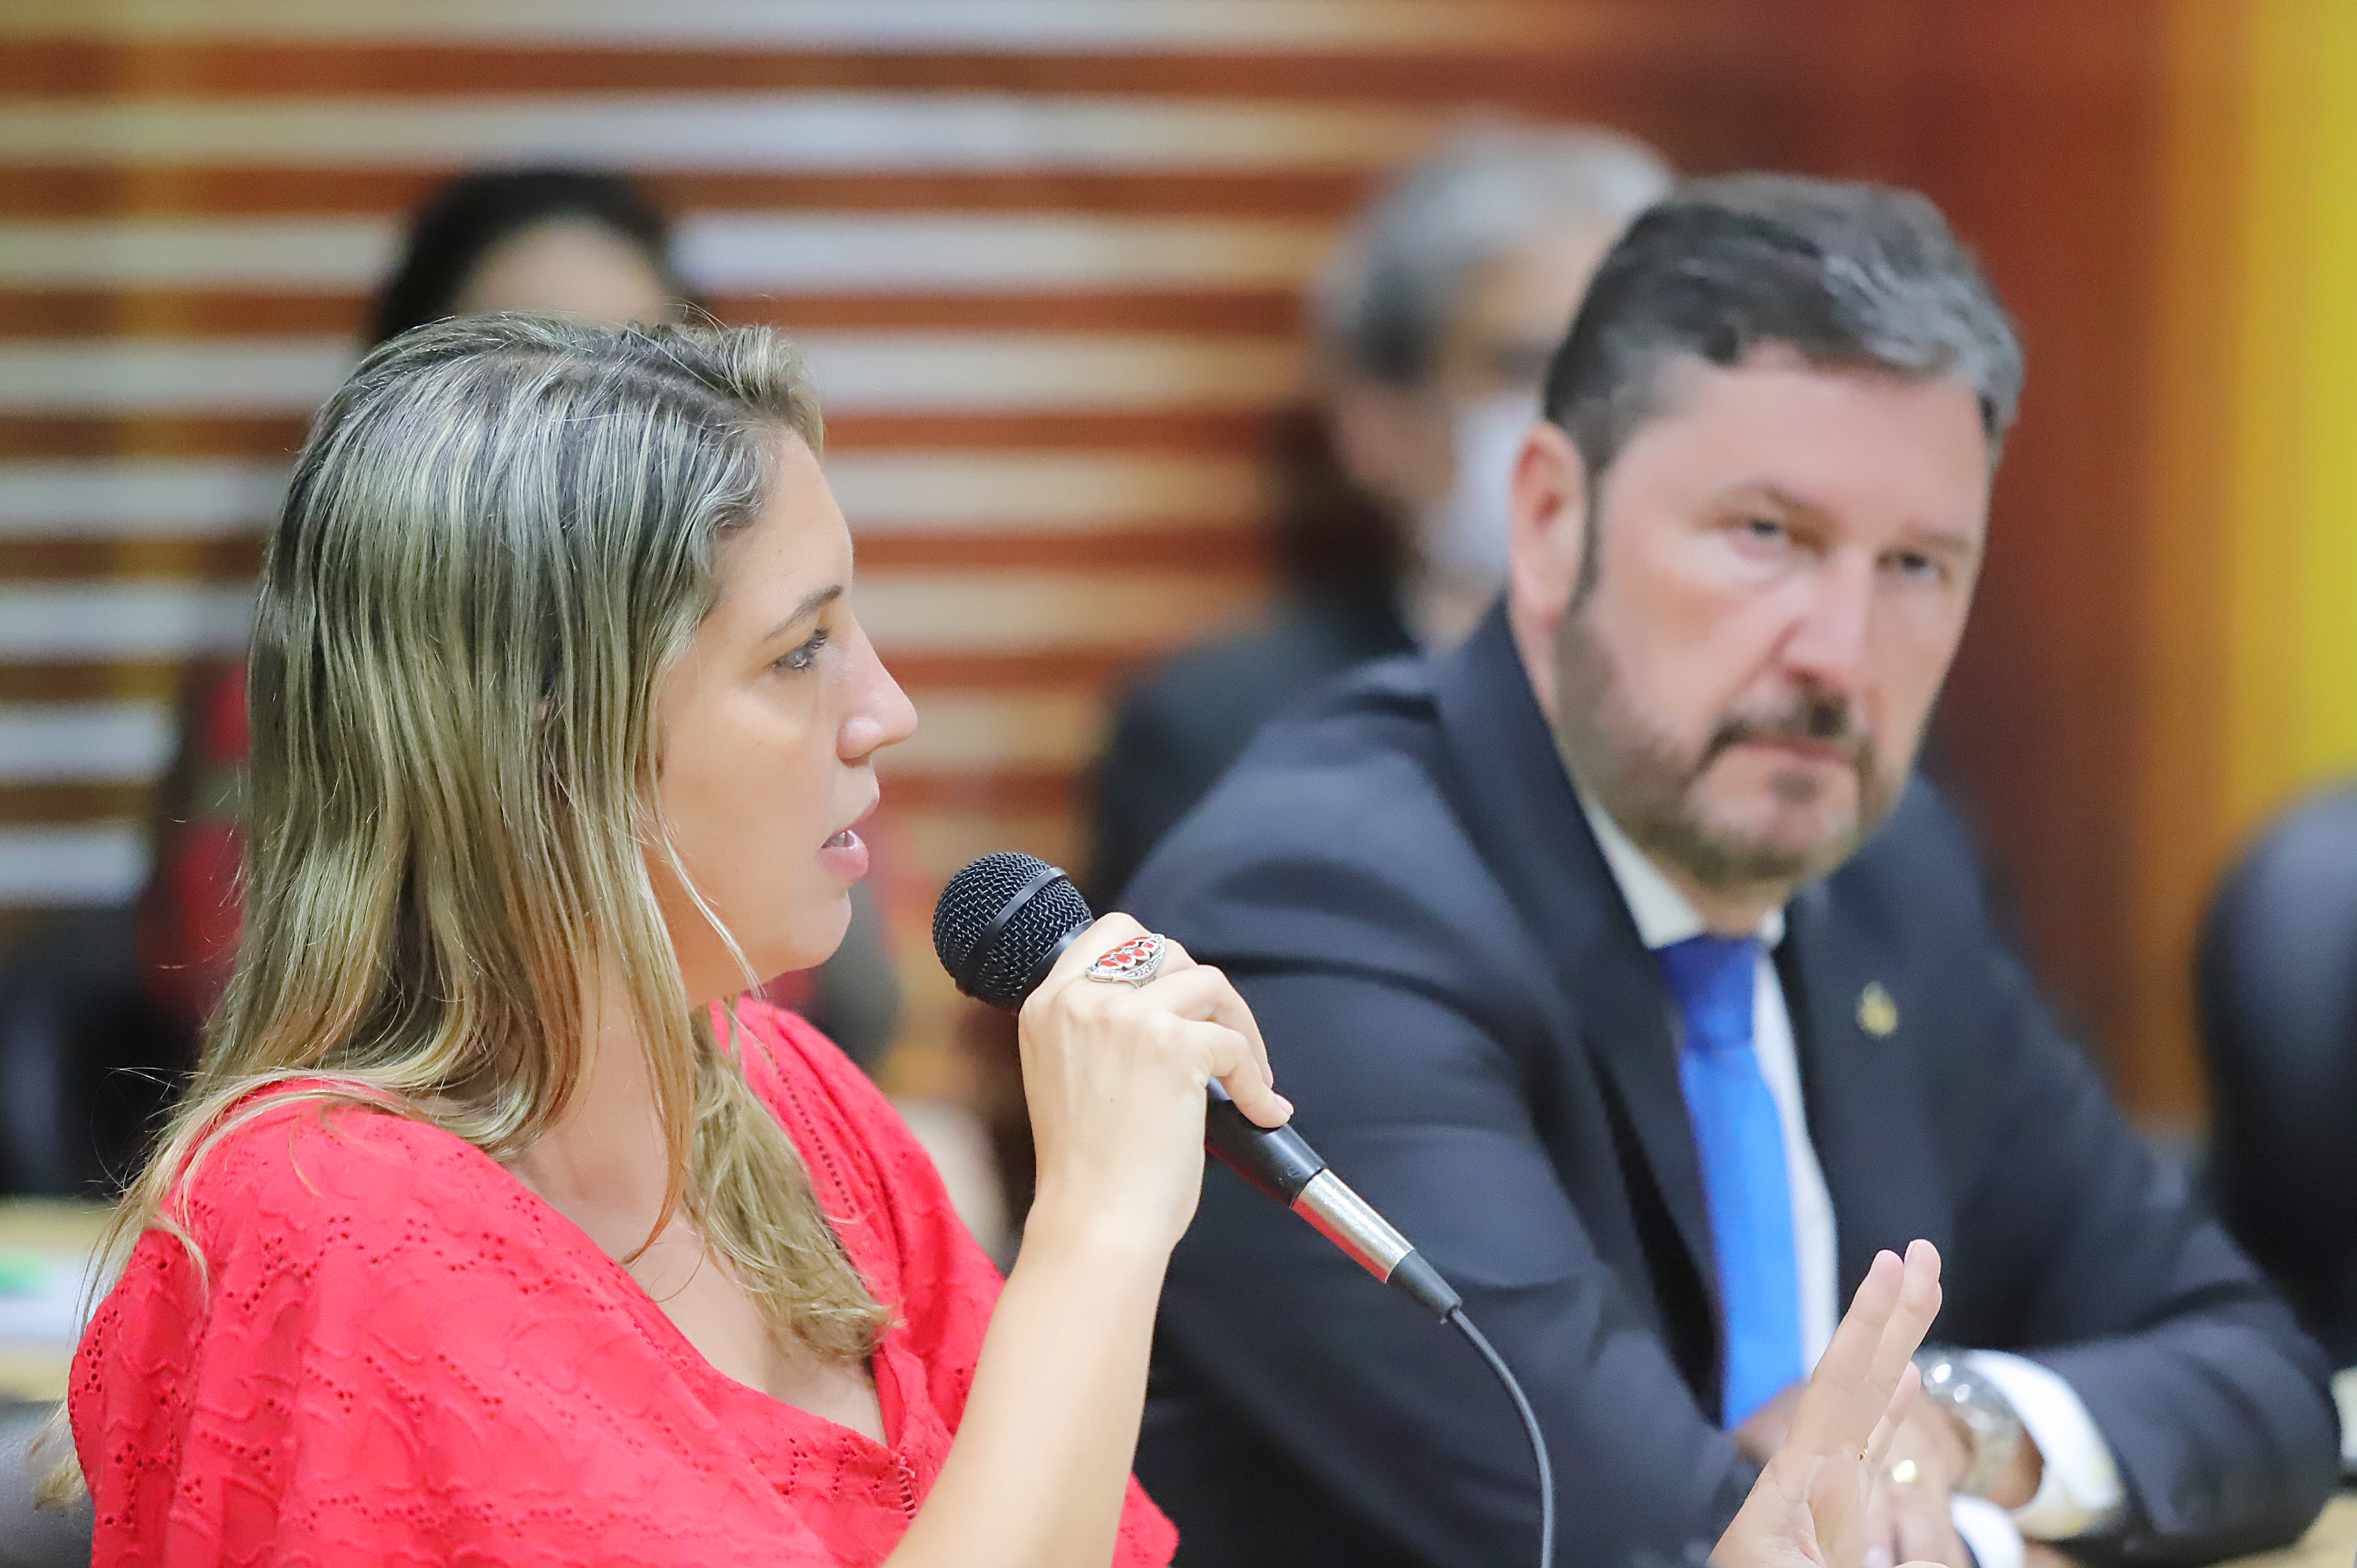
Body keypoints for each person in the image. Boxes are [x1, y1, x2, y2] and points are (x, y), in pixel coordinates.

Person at [51, 316, 1943, 1567]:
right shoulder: (322, 1226)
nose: (887, 711)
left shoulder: (787, 1105)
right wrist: (1102, 1220)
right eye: (801, 653)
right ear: (556, 738)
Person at [1121, 174, 2342, 1568]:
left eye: (1915, 565)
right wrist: (1977, 1539)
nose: (1839, 652)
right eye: (1767, 536)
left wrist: (1960, 1424)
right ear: (1550, 522)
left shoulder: (1885, 869)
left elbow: (2264, 1385)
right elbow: (1662, 1541)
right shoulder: (1321, 911)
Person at [137, 167, 904, 1077]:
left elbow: (863, 1002)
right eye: (532, 370)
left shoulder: (766, 677)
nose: (594, 426)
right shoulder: (306, 705)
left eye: (639, 365)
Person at [1087, 127, 1671, 904]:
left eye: (1623, 369)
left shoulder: (1750, 697)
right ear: (1375, 419)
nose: (1584, 418)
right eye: (1527, 369)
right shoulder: (1227, 731)